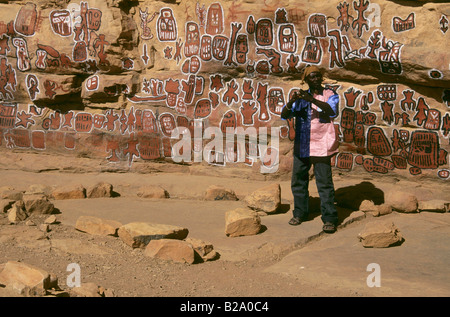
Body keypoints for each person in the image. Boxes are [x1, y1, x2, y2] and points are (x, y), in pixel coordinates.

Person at [280, 65, 339, 233]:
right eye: (311, 77)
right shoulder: (300, 98)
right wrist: (293, 101)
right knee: (298, 180)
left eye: (317, 76)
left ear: (321, 78)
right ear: (305, 80)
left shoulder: (329, 94)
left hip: (322, 144)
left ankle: (329, 218)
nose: (314, 79)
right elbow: (285, 115)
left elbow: (331, 111)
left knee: (324, 183)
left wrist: (311, 100)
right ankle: (300, 213)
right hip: (303, 144)